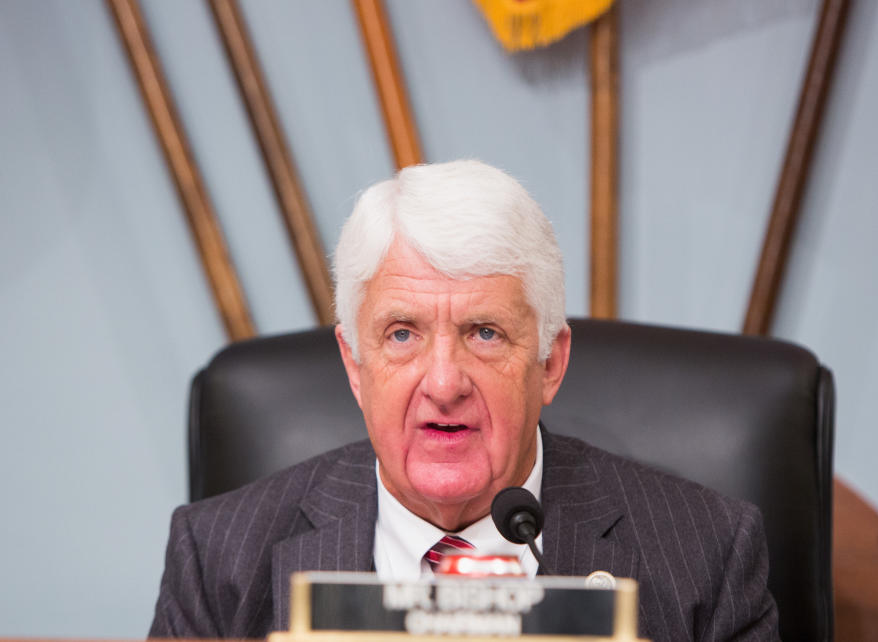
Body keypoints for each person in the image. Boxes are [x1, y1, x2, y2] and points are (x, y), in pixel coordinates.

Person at [149, 160, 779, 641]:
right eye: (402, 334)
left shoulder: (706, 558)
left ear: (551, 363)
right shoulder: (219, 560)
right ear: (355, 366)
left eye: (485, 334)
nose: (444, 383)